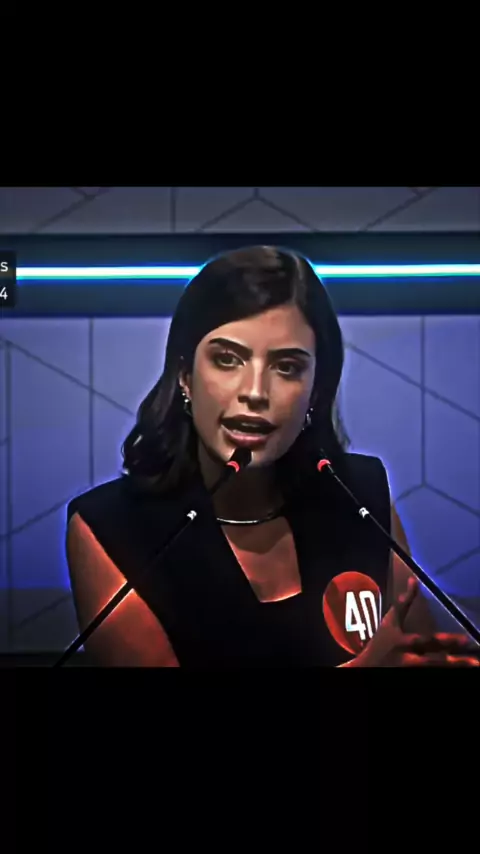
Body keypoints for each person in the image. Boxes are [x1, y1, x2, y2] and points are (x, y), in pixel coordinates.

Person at [66, 246, 480, 668]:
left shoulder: (361, 494)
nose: (255, 392)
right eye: (227, 360)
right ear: (185, 375)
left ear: (316, 390)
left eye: (286, 367)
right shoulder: (111, 527)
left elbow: (419, 654)